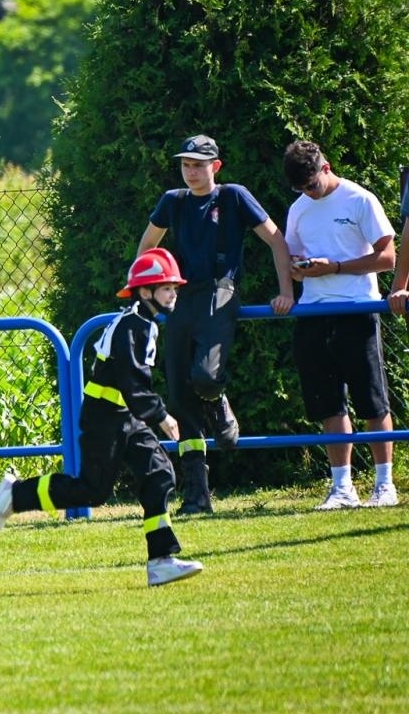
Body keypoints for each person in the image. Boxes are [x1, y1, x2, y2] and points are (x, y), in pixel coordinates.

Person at [0, 248, 204, 587]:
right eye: (166, 288)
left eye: (174, 288)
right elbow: (132, 381)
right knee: (91, 490)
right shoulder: (133, 326)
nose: (173, 294)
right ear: (145, 292)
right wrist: (162, 416)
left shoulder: (142, 322)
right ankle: (16, 495)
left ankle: (161, 560)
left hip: (125, 416)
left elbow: (131, 389)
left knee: (159, 473)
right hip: (106, 417)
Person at [137, 134, 295, 515]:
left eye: (198, 164)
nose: (191, 171)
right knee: (179, 396)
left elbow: (277, 240)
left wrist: (286, 291)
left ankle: (218, 399)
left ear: (216, 167)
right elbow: (146, 250)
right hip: (179, 298)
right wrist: (150, 294)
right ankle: (197, 495)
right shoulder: (172, 201)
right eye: (186, 165)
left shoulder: (234, 196)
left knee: (207, 377)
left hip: (221, 291)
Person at [282, 141, 397, 509]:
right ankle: (342, 489)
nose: (308, 193)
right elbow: (292, 264)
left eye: (312, 185)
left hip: (357, 308)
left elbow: (389, 257)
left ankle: (384, 485)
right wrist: (300, 267)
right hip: (313, 312)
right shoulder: (297, 209)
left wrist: (335, 267)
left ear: (326, 167)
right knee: (327, 404)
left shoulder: (360, 199)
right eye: (301, 188)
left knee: (372, 402)